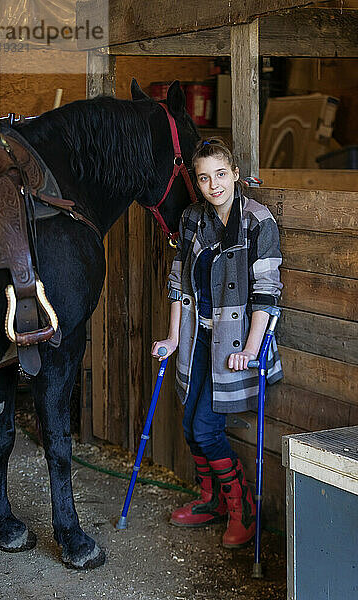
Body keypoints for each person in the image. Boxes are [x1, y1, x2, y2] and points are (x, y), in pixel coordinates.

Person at [151, 138, 283, 548]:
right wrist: (173, 338)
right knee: (190, 423)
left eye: (220, 175)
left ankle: (240, 506)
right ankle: (210, 500)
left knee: (206, 428)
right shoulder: (192, 218)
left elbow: (267, 291)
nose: (213, 185)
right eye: (204, 177)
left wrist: (251, 349)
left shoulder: (258, 221)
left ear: (235, 174)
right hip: (197, 335)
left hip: (236, 342)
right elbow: (179, 281)